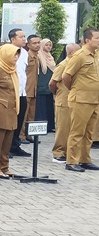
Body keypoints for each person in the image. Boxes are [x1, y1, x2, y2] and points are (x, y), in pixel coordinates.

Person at [62, 28, 99, 172]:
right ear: (87, 40)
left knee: (89, 132)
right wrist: (75, 89)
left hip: (94, 100)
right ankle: (71, 161)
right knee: (77, 132)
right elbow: (66, 76)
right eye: (96, 38)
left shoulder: (95, 55)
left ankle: (85, 159)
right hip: (80, 99)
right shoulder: (79, 56)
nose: (98, 41)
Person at [0, 44, 22, 179]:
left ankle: (4, 166)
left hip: (12, 109)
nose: (16, 57)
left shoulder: (12, 70)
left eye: (17, 54)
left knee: (7, 140)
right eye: (13, 54)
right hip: (0, 108)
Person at [49, 43, 80, 164]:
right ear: (70, 53)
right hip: (63, 100)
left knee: (72, 128)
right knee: (62, 128)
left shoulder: (76, 65)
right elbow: (52, 83)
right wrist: (57, 94)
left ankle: (69, 152)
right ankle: (58, 152)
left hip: (74, 100)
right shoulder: (63, 65)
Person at [7, 28, 32, 157]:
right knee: (9, 121)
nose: (24, 39)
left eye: (24, 36)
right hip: (11, 92)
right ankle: (6, 147)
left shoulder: (25, 53)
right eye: (21, 37)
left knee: (20, 119)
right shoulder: (6, 52)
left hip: (22, 91)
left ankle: (15, 145)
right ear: (13, 39)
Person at [20, 34, 41, 143]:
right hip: (26, 88)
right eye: (34, 43)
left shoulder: (37, 56)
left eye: (38, 43)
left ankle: (29, 134)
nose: (37, 45)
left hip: (33, 89)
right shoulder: (26, 56)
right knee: (24, 114)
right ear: (28, 44)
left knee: (31, 114)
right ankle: (22, 135)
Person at [34, 39, 56, 133]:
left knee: (49, 106)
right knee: (41, 107)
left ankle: (49, 125)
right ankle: (42, 126)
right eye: (46, 45)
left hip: (49, 85)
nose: (48, 47)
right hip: (41, 85)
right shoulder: (38, 56)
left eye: (50, 45)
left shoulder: (50, 57)